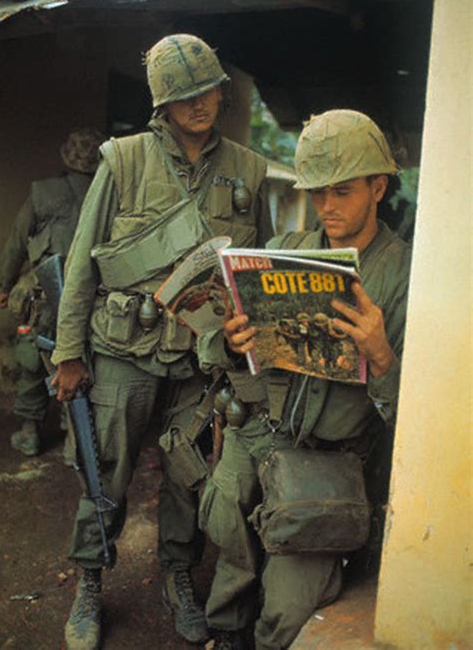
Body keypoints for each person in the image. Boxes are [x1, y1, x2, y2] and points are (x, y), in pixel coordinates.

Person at [50, 34, 273, 649]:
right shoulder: (122, 160)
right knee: (107, 473)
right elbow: (81, 263)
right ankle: (89, 581)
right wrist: (68, 352)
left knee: (188, 473)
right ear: (162, 106)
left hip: (202, 359)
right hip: (125, 350)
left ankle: (178, 573)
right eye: (183, 97)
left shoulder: (249, 171)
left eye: (206, 91)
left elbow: (258, 273)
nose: (197, 105)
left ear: (221, 92)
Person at [197, 109, 412, 650]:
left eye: (341, 191)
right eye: (317, 193)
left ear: (379, 186)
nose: (327, 207)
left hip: (328, 461)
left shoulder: (407, 275)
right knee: (229, 570)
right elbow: (215, 353)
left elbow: (419, 416)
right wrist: (231, 339)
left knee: (288, 617)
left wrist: (382, 358)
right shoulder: (282, 251)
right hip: (259, 435)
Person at [0, 128, 104, 456]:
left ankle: (30, 431)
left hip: (46, 298)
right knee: (88, 360)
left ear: (65, 157)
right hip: (96, 299)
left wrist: (4, 286)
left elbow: (17, 242)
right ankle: (70, 425)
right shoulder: (107, 195)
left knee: (34, 358)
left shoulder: (43, 193)